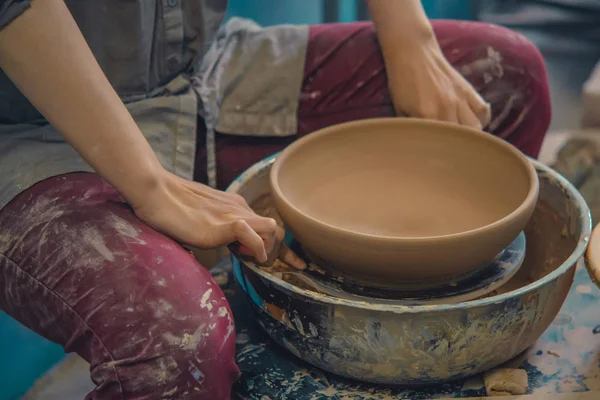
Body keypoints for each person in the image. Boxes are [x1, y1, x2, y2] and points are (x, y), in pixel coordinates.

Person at [0, 0, 550, 399]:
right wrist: (150, 184)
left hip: (205, 75)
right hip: (39, 122)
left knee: (504, 77)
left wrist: (407, 30)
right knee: (176, 351)